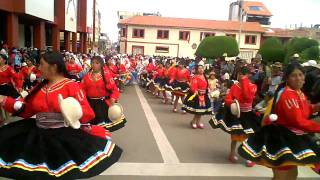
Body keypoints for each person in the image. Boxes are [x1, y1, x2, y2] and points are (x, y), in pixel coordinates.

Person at [0, 52, 122, 179]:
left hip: (63, 134)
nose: (38, 68)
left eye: (41, 64)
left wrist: (69, 111)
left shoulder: (71, 86)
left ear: (54, 67)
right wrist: (7, 102)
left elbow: (88, 114)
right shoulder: (39, 87)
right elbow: (27, 111)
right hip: (37, 132)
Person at [238, 62, 320, 180]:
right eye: (294, 75)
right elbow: (298, 121)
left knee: (291, 175)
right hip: (282, 140)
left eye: (301, 75)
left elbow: (304, 111)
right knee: (283, 176)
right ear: (287, 78)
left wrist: (315, 107)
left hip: (292, 138)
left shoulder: (299, 93)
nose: (298, 78)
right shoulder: (287, 95)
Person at [209, 66, 259, 167]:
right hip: (236, 114)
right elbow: (227, 99)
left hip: (248, 115)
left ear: (248, 75)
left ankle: (249, 157)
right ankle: (231, 154)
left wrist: (244, 81)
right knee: (235, 136)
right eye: (239, 74)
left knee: (248, 136)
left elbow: (247, 97)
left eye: (243, 74)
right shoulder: (234, 86)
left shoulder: (253, 86)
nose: (240, 76)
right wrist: (233, 102)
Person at [81, 56, 126, 132]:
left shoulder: (106, 76)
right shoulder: (86, 77)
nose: (94, 65)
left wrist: (113, 98)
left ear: (101, 64)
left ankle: (103, 140)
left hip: (102, 105)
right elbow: (81, 91)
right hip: (90, 105)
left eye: (97, 63)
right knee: (90, 129)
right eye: (92, 63)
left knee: (102, 129)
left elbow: (114, 90)